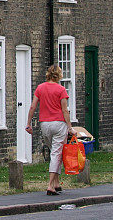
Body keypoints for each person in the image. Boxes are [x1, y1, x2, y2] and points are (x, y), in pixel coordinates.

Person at [25, 65, 76, 195]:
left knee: (54, 152)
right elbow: (65, 110)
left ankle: (56, 183)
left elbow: (32, 107)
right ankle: (50, 185)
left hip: (45, 124)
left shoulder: (40, 88)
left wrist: (28, 123)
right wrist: (70, 127)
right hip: (59, 124)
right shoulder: (61, 90)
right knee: (56, 153)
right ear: (58, 75)